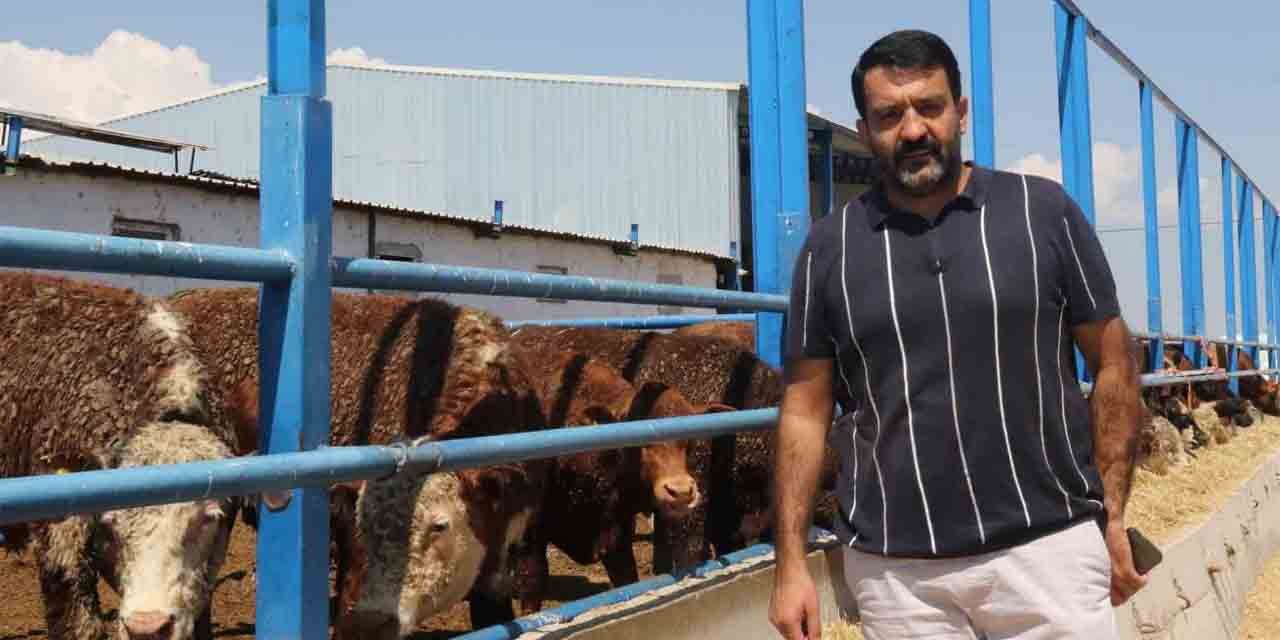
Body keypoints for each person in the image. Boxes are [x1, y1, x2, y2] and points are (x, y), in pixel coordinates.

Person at [767, 29, 1146, 640]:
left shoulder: (1043, 214)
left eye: (930, 107)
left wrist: (1114, 515)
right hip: (899, 576)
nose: (913, 129)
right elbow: (805, 410)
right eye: (889, 115)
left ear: (961, 113)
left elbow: (1114, 362)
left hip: (1046, 553)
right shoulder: (829, 250)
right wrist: (789, 566)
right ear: (864, 130)